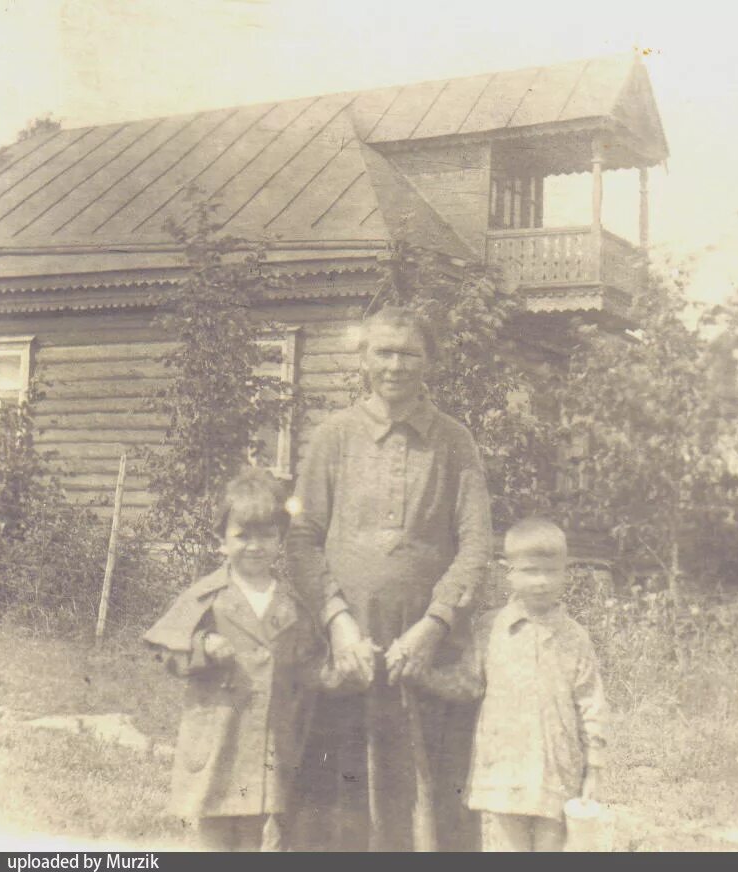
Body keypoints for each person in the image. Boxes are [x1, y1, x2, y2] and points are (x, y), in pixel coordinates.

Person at [286, 305, 493, 851]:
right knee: (336, 800)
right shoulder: (334, 436)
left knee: (426, 804)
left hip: (425, 654)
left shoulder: (454, 441)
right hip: (348, 650)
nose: (395, 365)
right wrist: (336, 624)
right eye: (383, 352)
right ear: (364, 358)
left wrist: (435, 625)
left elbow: (476, 545)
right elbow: (302, 538)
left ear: (429, 362)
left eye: (409, 353)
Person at [142, 469, 333, 851]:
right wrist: (204, 645)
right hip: (218, 736)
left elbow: (308, 662)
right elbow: (167, 650)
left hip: (266, 740)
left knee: (255, 830)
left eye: (266, 535)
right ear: (222, 542)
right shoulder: (208, 596)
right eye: (242, 535)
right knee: (214, 828)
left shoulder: (291, 603)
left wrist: (337, 671)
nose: (254, 546)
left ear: (280, 538)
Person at [409, 517, 608, 852]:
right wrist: (423, 676)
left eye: (552, 571)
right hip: (504, 767)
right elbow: (468, 682)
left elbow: (592, 702)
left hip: (556, 768)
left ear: (566, 572)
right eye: (530, 571)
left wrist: (595, 768)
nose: (542, 581)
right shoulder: (491, 629)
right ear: (508, 572)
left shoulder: (575, 638)